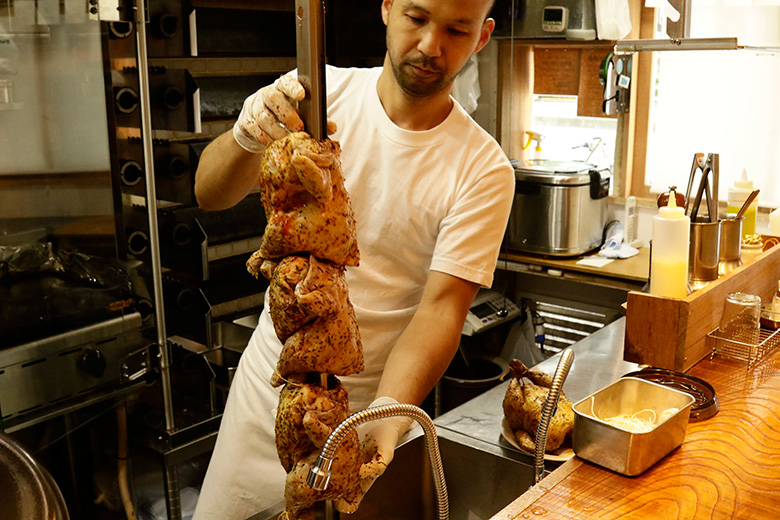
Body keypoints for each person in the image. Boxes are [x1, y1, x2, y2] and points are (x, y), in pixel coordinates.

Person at [192, 0, 513, 518]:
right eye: (417, 18)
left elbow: (441, 311)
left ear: (482, 36)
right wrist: (246, 136)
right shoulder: (315, 94)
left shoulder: (482, 169)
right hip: (269, 391)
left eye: (457, 29)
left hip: (365, 407)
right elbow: (208, 193)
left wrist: (390, 413)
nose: (431, 46)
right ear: (386, 9)